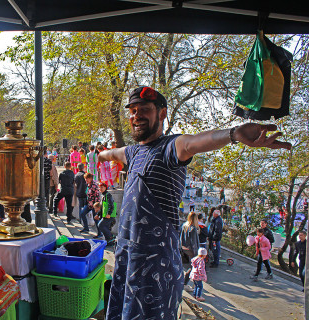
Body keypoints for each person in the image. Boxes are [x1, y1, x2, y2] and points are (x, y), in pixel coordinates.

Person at [99, 85, 291, 319]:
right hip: (127, 259)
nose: (136, 115)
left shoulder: (170, 147)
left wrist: (234, 134)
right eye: (133, 111)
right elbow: (113, 153)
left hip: (155, 269)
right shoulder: (132, 153)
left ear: (161, 113)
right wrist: (101, 155)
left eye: (144, 109)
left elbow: (194, 143)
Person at [180, 211, 200, 285]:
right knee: (193, 267)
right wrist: (197, 254)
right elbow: (194, 242)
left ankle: (186, 283)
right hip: (191, 250)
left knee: (190, 267)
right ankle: (187, 283)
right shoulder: (193, 229)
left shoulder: (184, 225)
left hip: (184, 248)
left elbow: (181, 238)